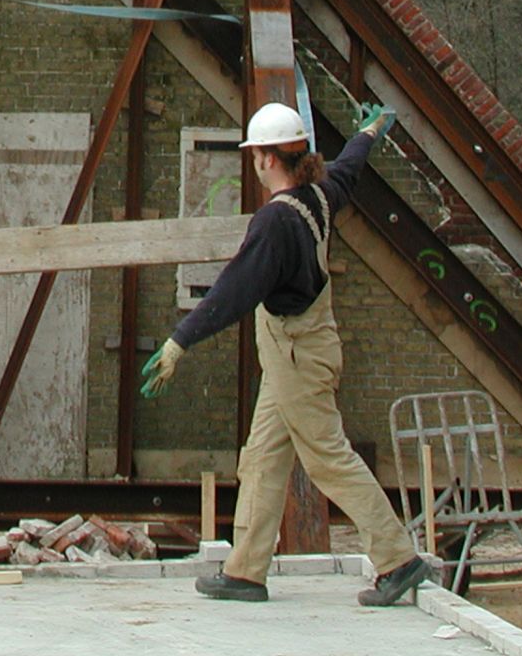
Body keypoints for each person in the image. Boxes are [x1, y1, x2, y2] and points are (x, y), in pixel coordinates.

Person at [142, 100, 431, 607]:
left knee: (328, 459)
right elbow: (349, 167)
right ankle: (245, 571)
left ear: (268, 159)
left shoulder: (274, 222)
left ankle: (398, 559)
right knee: (262, 458)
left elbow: (233, 290)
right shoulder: (318, 196)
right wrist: (367, 132)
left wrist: (179, 340)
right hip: (296, 352)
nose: (252, 162)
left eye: (254, 153)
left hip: (296, 354)